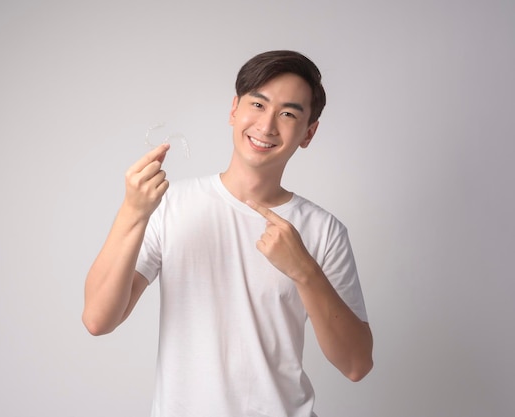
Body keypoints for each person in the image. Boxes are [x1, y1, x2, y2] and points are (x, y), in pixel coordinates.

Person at [82, 50, 373, 416]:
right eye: (257, 104)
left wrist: (304, 271)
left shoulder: (324, 231)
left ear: (308, 132)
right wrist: (132, 212)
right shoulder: (171, 205)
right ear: (234, 109)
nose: (266, 126)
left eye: (288, 113)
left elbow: (356, 364)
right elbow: (98, 319)